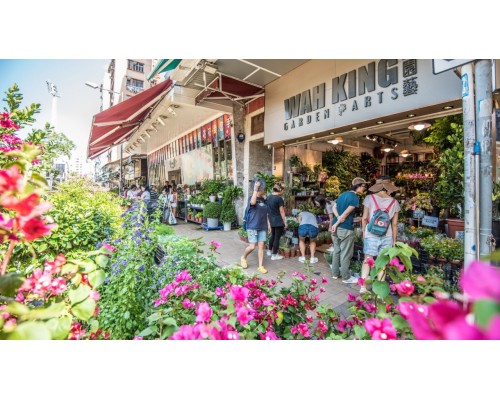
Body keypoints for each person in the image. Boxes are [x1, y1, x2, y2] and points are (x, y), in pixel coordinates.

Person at [359, 177, 401, 293]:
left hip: (370, 234)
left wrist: (364, 232)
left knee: (367, 260)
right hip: (387, 236)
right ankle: (379, 290)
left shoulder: (369, 198)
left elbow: (364, 218)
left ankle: (363, 287)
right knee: (382, 263)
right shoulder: (394, 202)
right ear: (388, 187)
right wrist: (394, 240)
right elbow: (395, 224)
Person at [330, 177, 368, 284]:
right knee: (346, 253)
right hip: (345, 227)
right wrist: (339, 221)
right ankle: (346, 277)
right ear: (358, 186)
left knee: (337, 251)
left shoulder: (343, 194)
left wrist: (337, 219)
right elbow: (346, 213)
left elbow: (334, 207)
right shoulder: (354, 197)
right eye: (363, 187)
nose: (364, 189)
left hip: (335, 227)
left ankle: (335, 274)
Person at [240, 180, 271, 274]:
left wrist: (268, 224)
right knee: (252, 246)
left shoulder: (264, 200)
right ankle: (243, 257)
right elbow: (253, 203)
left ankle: (260, 266)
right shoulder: (251, 198)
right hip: (252, 225)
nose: (265, 191)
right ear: (259, 190)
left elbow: (266, 214)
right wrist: (255, 189)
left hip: (262, 225)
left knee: (261, 246)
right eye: (263, 189)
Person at [266, 182, 288, 260]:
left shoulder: (268, 197)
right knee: (277, 238)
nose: (283, 191)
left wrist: (268, 223)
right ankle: (274, 255)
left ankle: (269, 251)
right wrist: (285, 222)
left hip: (271, 220)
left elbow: (267, 211)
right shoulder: (279, 199)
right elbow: (282, 211)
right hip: (278, 221)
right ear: (280, 190)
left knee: (273, 235)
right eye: (283, 190)